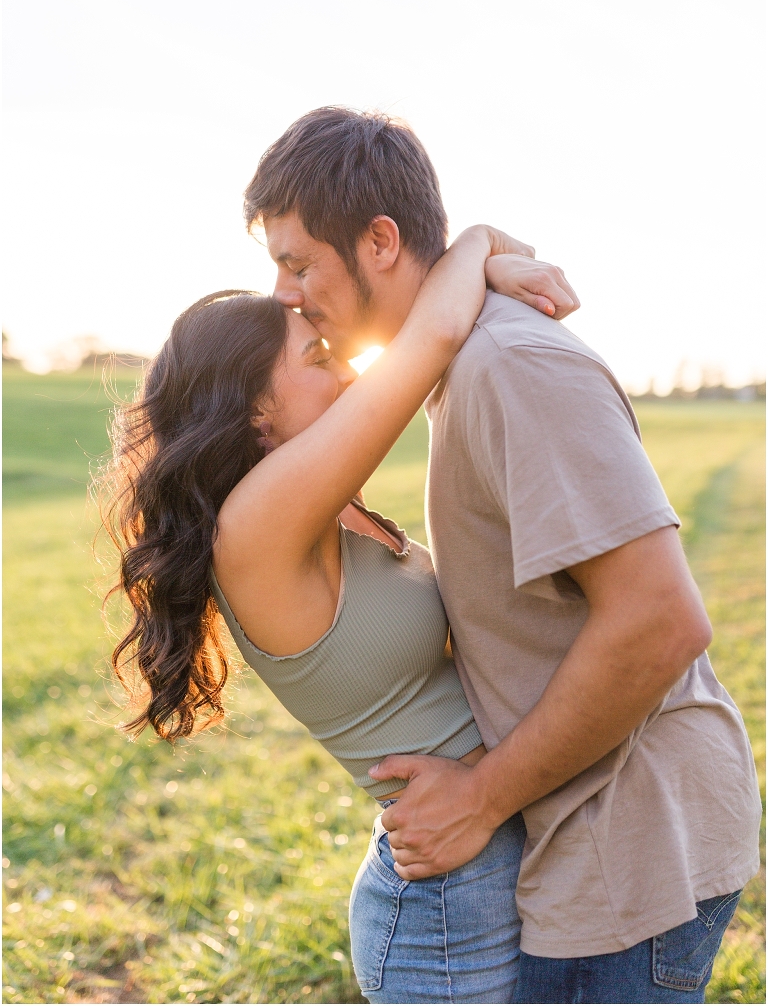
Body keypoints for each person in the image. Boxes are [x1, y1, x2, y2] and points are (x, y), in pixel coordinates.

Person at [243, 106, 762, 1005]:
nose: (285, 292)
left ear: (378, 241)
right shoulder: (457, 367)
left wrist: (482, 794)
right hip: (582, 846)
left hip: (631, 854)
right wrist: (483, 242)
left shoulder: (509, 367)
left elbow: (661, 619)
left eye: (297, 262)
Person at [102, 224, 578, 1003]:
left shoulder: (322, 512)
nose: (352, 373)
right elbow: (433, 333)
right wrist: (482, 243)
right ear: (254, 408)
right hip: (447, 909)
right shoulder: (253, 529)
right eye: (319, 360)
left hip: (474, 856)